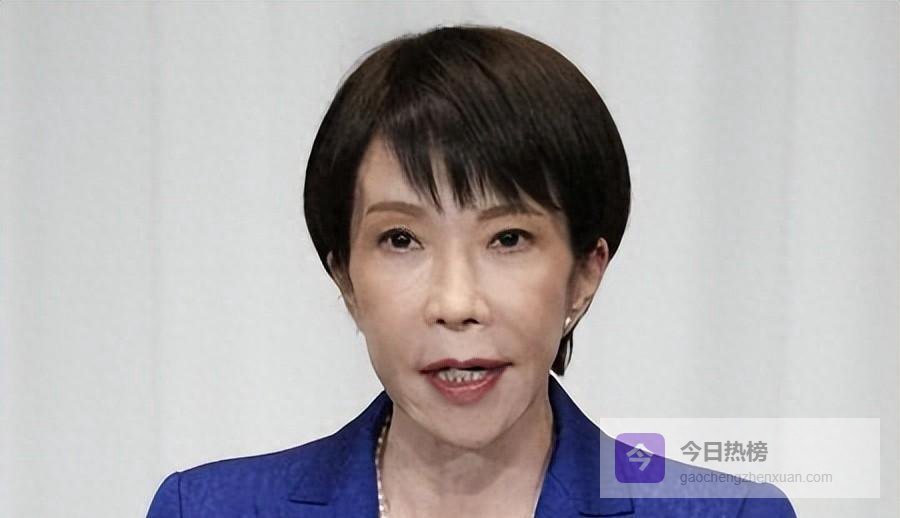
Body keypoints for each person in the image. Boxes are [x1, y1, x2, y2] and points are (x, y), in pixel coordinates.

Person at [147, 25, 796, 517]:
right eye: (401, 239)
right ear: (344, 276)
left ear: (584, 272)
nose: (456, 303)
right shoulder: (208, 510)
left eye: (508, 238)